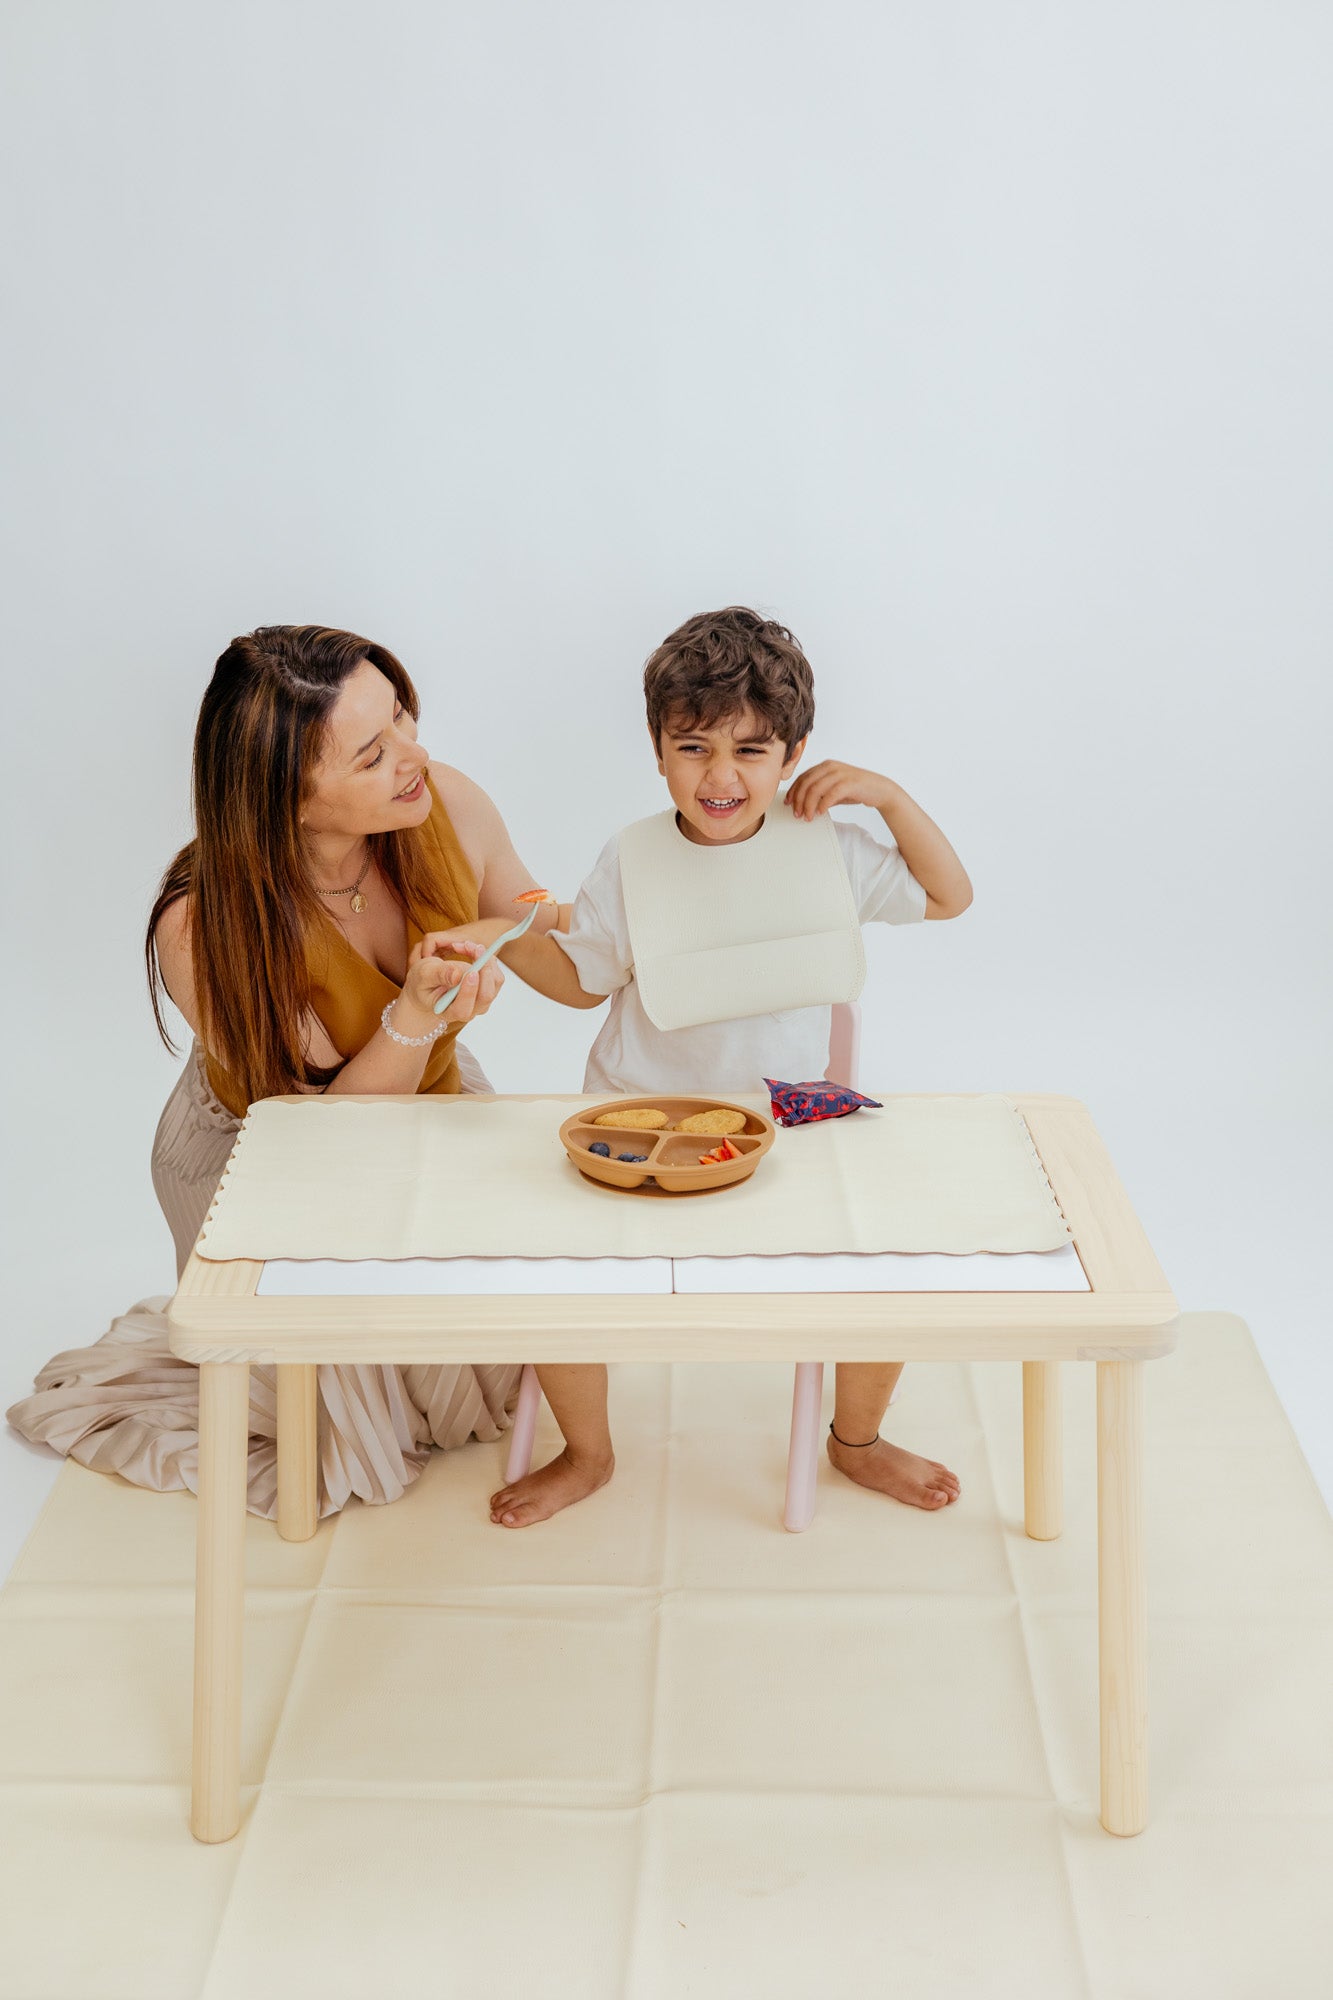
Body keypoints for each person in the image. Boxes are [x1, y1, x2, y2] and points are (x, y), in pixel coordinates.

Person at [7, 624, 564, 1518]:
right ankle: (213, 1338)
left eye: (405, 720)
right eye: (374, 753)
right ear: (289, 799)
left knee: (486, 1382)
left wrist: (684, 886)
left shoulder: (443, 804)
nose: (414, 757)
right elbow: (313, 1142)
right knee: (358, 1454)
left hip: (426, 1110)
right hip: (264, 1158)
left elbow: (553, 943)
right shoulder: (204, 926)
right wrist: (417, 1012)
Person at [470, 605, 974, 1527]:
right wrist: (497, 936)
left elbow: (950, 896)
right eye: (692, 746)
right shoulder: (631, 859)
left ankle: (854, 1442)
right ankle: (588, 1452)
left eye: (750, 751)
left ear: (792, 755)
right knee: (549, 1267)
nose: (719, 775)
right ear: (658, 751)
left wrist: (889, 798)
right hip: (635, 1108)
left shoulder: (826, 846)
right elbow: (585, 981)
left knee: (892, 1254)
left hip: (791, 1112)